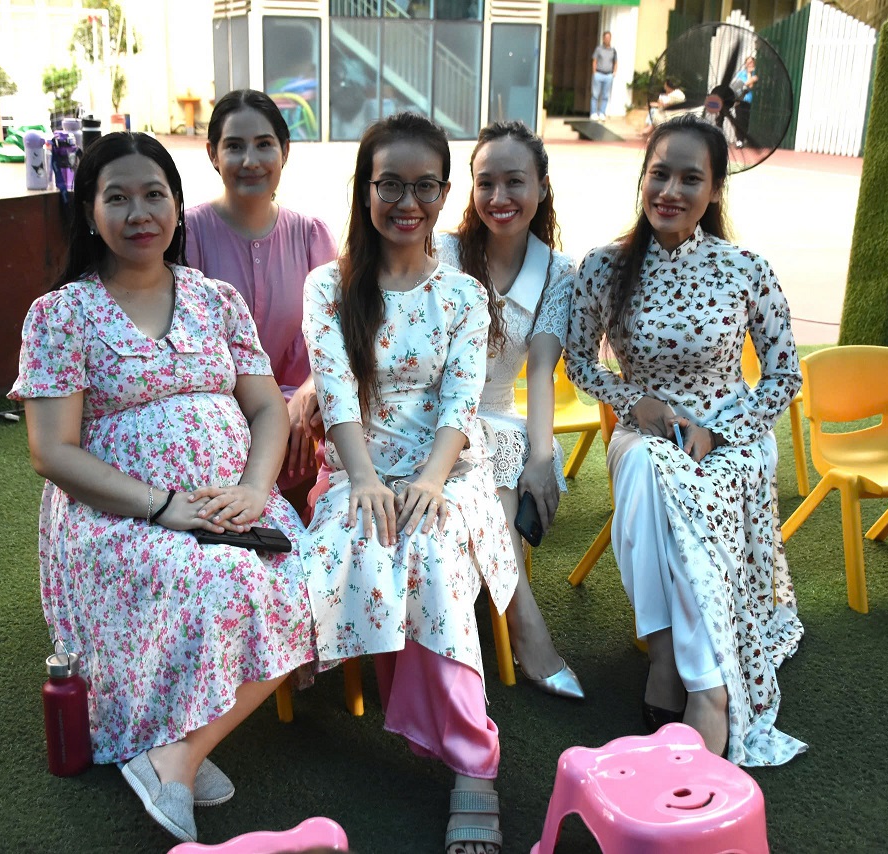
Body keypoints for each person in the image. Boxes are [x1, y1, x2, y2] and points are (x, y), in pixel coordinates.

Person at [8, 132, 316, 842]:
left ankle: (175, 754)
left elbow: (267, 408)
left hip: (232, 503)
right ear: (90, 213)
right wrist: (164, 506)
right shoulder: (61, 315)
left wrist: (254, 488)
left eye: (154, 195)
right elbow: (51, 451)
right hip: (119, 514)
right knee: (222, 583)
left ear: (177, 206)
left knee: (318, 576)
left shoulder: (216, 299)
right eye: (117, 197)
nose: (139, 213)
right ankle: (173, 750)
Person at [301, 112, 516, 854]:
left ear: (445, 193)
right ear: (365, 189)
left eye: (425, 186)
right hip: (356, 465)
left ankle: (473, 764)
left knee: (428, 549)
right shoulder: (329, 287)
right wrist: (363, 479)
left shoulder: (463, 295)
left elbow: (461, 402)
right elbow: (334, 389)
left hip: (447, 467)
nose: (407, 202)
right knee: (358, 540)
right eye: (389, 184)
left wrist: (430, 479)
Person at [564, 115, 806, 767]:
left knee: (665, 489)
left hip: (732, 435)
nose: (670, 191)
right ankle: (685, 668)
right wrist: (632, 401)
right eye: (660, 174)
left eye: (690, 178)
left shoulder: (745, 268)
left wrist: (719, 430)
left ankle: (696, 680)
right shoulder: (604, 267)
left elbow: (785, 376)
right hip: (645, 428)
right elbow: (578, 362)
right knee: (648, 468)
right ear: (643, 178)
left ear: (716, 190)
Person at [433, 121, 583, 699]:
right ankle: (525, 626)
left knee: (506, 454)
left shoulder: (558, 271)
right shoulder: (443, 251)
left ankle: (504, 614)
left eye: (515, 182)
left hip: (495, 413)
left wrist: (542, 457)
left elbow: (541, 368)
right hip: (429, 412)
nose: (499, 198)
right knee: (488, 459)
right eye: (485, 183)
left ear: (541, 186)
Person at [183, 89, 338, 514]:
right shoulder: (187, 236)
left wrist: (306, 393)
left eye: (264, 144)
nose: (250, 160)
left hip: (303, 418)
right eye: (235, 146)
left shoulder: (311, 236)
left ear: (284, 151)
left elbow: (335, 339)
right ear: (213, 154)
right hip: (220, 413)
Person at [590, 31, 618, 121]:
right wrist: (594, 72)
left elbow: (615, 62)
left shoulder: (613, 50)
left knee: (605, 95)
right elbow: (594, 60)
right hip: (598, 74)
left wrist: (614, 72)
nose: (607, 39)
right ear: (603, 38)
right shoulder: (598, 49)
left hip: (608, 75)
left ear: (610, 38)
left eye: (609, 38)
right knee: (595, 94)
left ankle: (602, 113)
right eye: (606, 38)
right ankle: (593, 113)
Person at [732, 56, 757, 147]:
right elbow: (739, 85)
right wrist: (746, 83)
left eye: (751, 62)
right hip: (740, 100)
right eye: (748, 62)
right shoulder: (741, 74)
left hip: (749, 101)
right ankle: (739, 140)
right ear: (745, 64)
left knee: (746, 121)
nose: (750, 64)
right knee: (739, 120)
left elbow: (749, 86)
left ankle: (744, 139)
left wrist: (749, 74)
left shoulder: (755, 74)